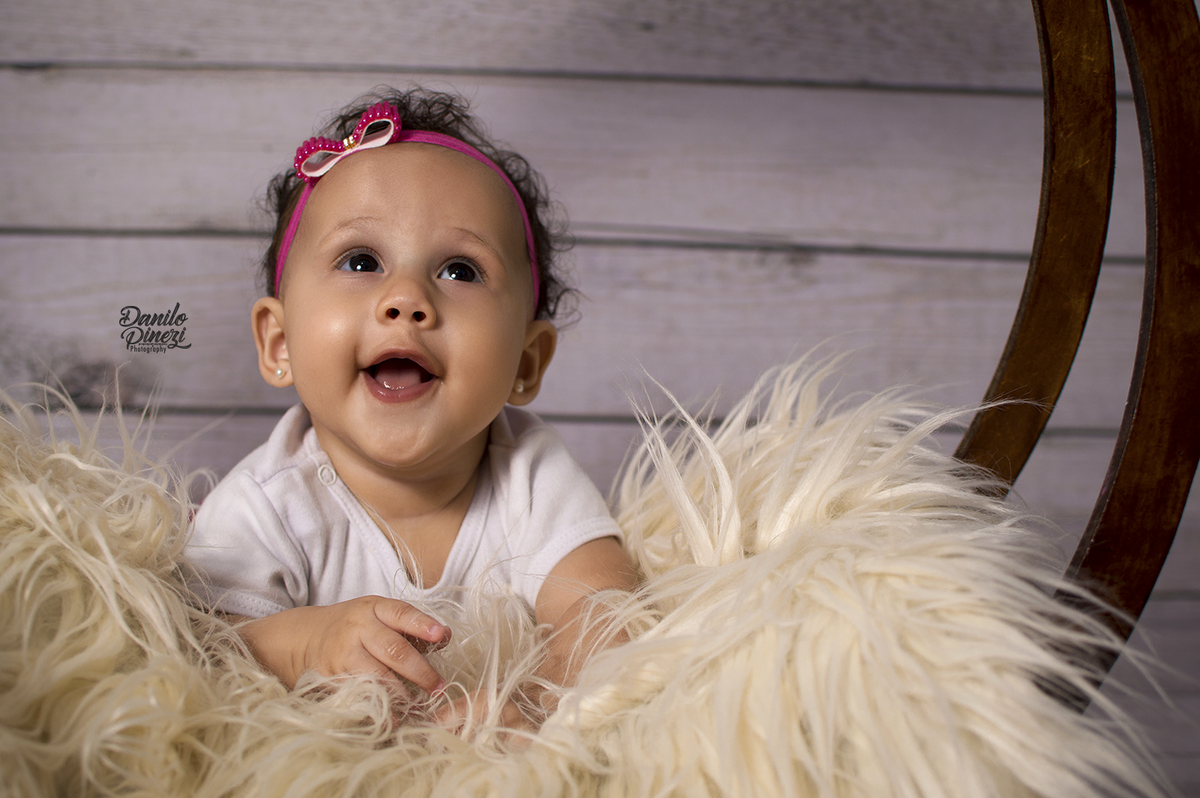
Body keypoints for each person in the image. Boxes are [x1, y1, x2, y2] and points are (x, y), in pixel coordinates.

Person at [184, 88, 637, 726]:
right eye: (361, 260)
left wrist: (538, 711)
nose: (406, 299)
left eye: (459, 270)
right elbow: (202, 647)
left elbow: (599, 606)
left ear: (526, 363)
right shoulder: (266, 502)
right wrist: (308, 642)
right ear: (279, 343)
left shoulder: (530, 475)